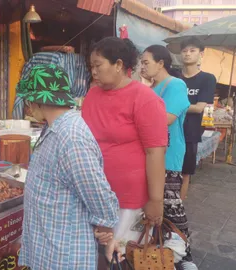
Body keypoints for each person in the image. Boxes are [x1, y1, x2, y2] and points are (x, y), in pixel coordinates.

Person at [17, 64, 120, 269]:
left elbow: (99, 195)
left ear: (35, 101)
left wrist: (105, 229)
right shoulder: (54, 128)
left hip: (64, 253)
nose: (28, 108)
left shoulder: (71, 137)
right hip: (49, 244)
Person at [82, 37, 168, 262]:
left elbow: (155, 152)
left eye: (98, 65)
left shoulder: (145, 99)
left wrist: (155, 200)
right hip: (95, 194)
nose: (94, 72)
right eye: (91, 66)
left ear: (119, 65)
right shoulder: (92, 96)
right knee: (95, 256)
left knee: (120, 256)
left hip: (128, 197)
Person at [141, 45, 196, 268]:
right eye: (141, 63)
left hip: (168, 154)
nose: (142, 67)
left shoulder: (176, 85)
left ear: (161, 63)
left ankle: (187, 257)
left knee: (172, 207)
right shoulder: (150, 88)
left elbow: (166, 118)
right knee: (155, 208)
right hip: (149, 154)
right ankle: (162, 254)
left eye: (146, 62)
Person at [179, 38, 216, 201]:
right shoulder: (174, 77)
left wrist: (173, 107)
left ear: (201, 54)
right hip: (169, 131)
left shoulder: (207, 79)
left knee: (185, 173)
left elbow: (199, 107)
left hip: (190, 133)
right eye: (184, 51)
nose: (187, 54)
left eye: (192, 50)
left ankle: (178, 206)